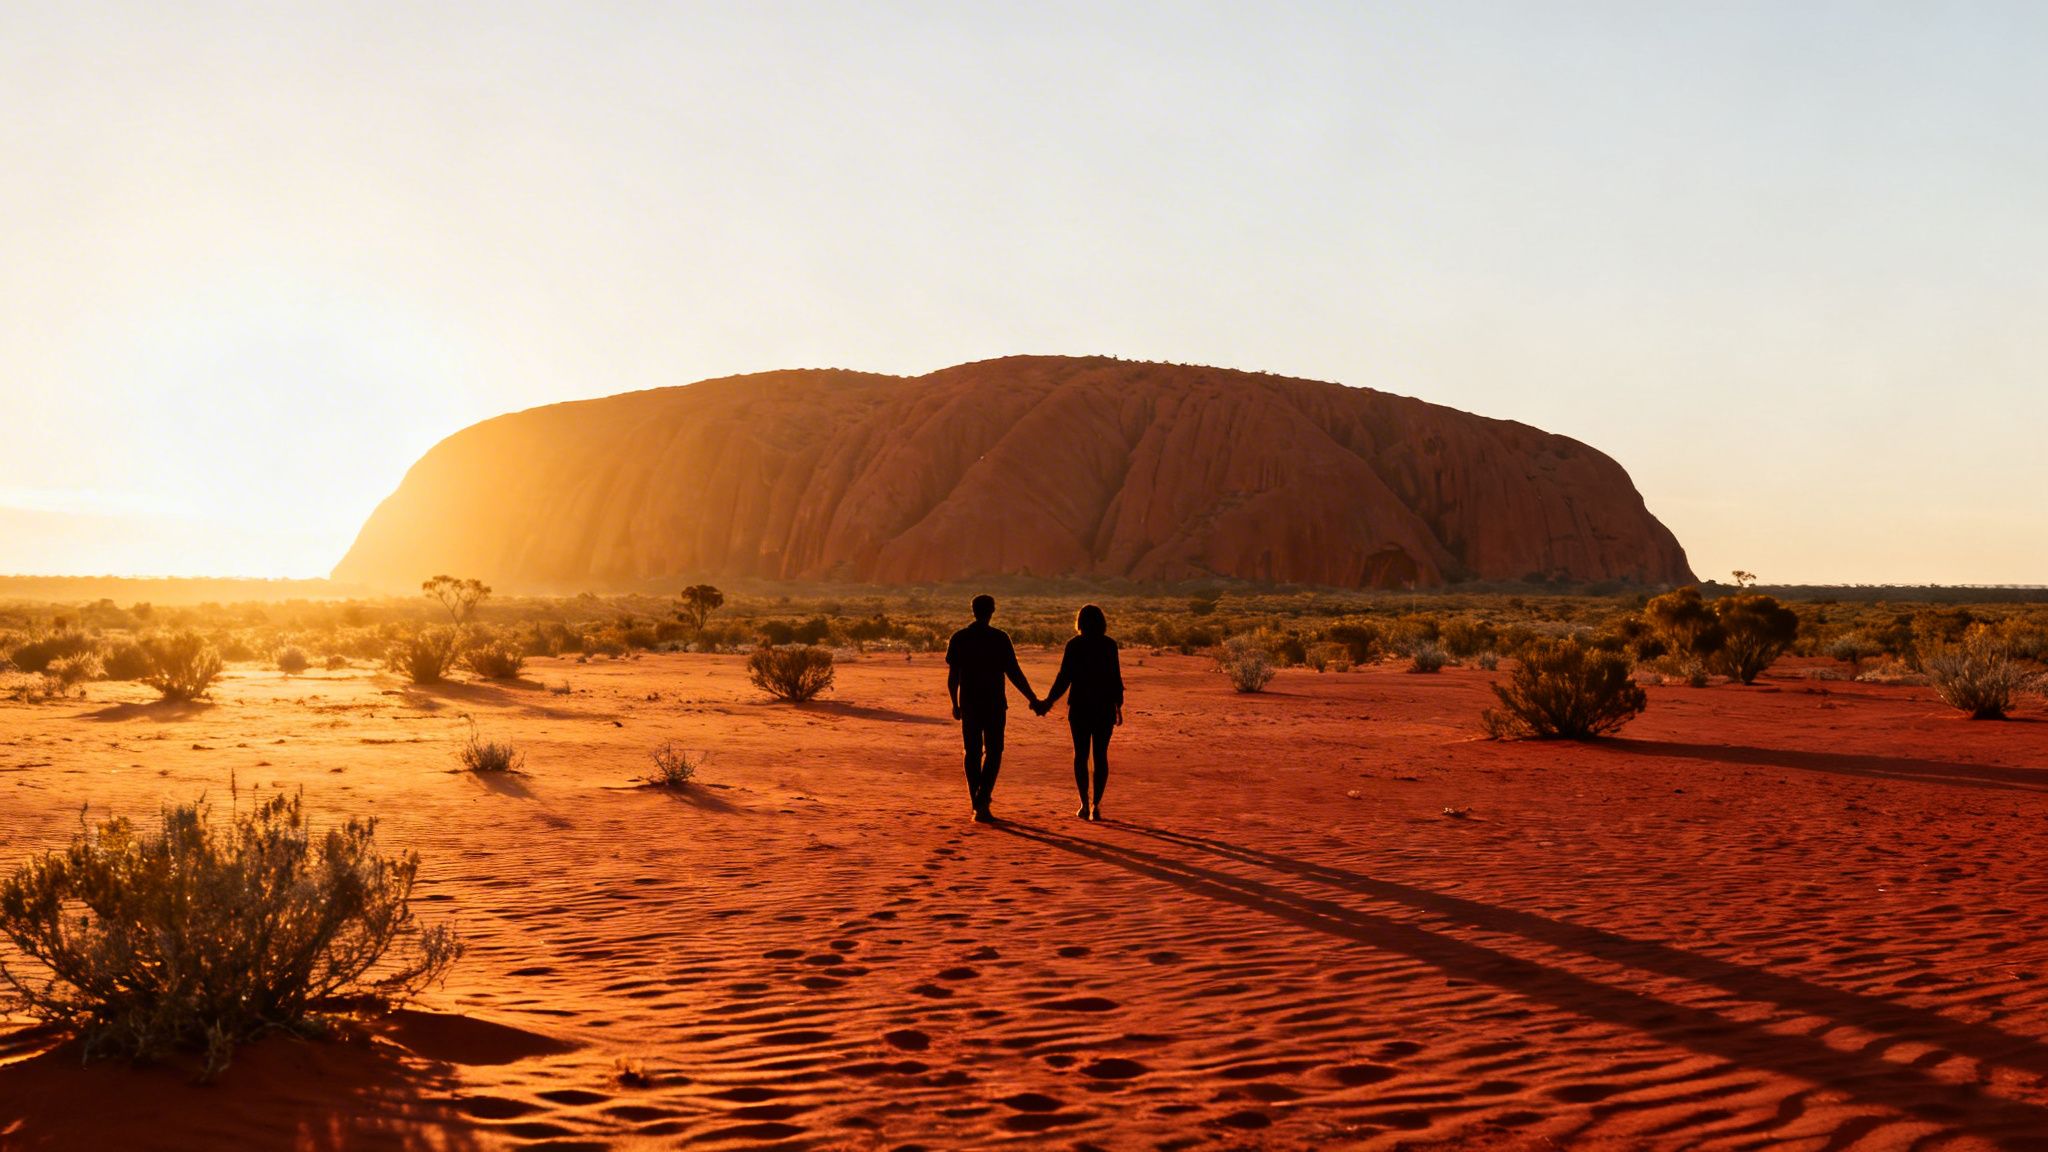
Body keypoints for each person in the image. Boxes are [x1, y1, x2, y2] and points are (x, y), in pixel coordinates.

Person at [946, 594, 1038, 822]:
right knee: (994, 751)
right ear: (992, 611)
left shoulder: (960, 638)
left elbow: (953, 676)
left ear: (973, 610)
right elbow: (1014, 672)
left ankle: (978, 801)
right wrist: (1033, 698)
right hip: (995, 704)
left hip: (970, 704)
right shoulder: (1000, 638)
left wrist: (954, 703)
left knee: (972, 752)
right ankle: (982, 799)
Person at [1034, 603, 1124, 821]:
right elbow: (1115, 678)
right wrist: (1118, 706)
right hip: (1104, 707)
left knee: (1081, 755)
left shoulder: (1074, 645)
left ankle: (1084, 803)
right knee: (1100, 756)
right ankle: (1097, 805)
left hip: (1080, 707)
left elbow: (1064, 677)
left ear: (1080, 622)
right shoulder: (1109, 645)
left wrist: (1048, 701)